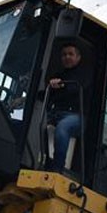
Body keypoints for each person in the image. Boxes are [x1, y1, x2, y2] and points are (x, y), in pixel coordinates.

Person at [46, 41, 91, 171]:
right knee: (33, 120)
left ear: (78, 57)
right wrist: (23, 99)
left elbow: (76, 88)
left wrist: (61, 85)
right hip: (55, 114)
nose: (67, 57)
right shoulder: (58, 76)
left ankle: (57, 169)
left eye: (71, 54)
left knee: (62, 128)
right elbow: (47, 95)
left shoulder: (85, 74)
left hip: (77, 116)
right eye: (64, 55)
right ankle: (44, 159)